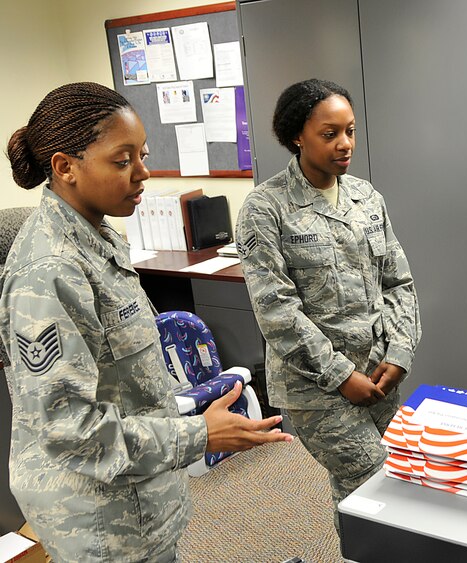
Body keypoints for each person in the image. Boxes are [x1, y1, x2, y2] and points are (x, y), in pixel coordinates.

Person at [0, 82, 293, 562]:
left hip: (139, 495)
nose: (143, 173)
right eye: (122, 160)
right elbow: (69, 432)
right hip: (96, 517)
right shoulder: (50, 270)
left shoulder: (98, 235)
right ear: (64, 167)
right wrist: (200, 433)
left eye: (142, 155)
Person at [235, 79, 421, 531]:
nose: (345, 144)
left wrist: (399, 353)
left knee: (404, 475)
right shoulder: (266, 207)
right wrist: (341, 377)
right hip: (315, 388)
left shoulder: (365, 197)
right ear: (297, 135)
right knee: (370, 481)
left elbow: (398, 283)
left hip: (378, 373)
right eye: (329, 133)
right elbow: (277, 313)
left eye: (351, 131)